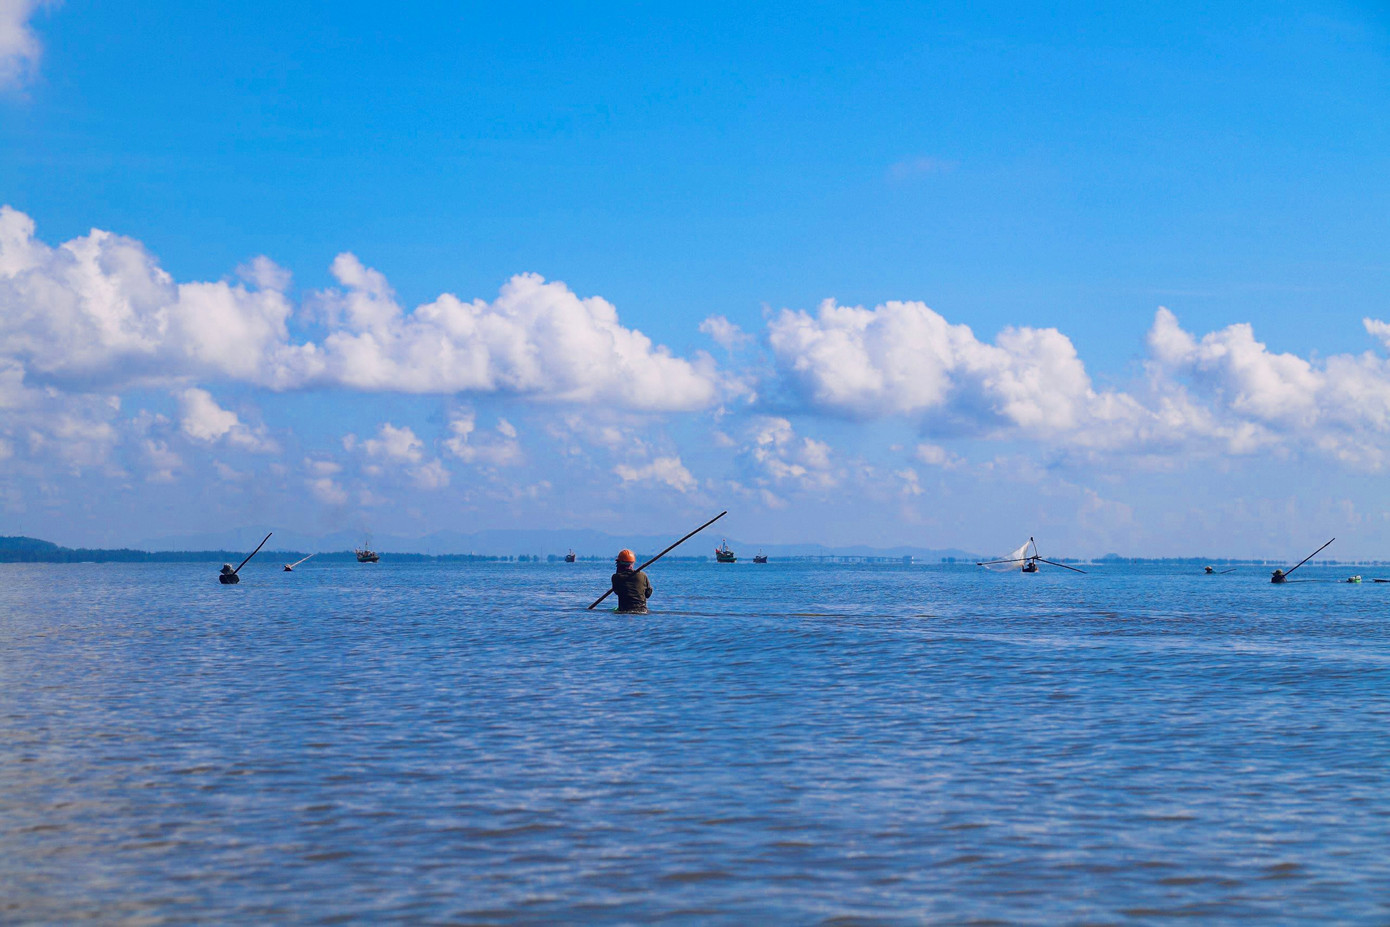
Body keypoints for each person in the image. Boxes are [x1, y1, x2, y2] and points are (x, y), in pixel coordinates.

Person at [611, 549, 653, 614]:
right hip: (642, 611)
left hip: (624, 611)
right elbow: (648, 594)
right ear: (632, 563)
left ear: (619, 564)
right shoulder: (642, 575)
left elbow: (617, 591)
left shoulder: (616, 577)